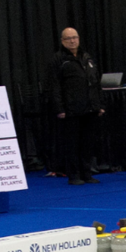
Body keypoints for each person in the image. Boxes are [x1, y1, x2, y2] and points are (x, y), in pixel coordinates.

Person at [50, 28, 104, 185]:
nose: (72, 41)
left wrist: (99, 104)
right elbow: (54, 86)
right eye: (68, 38)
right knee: (72, 144)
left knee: (87, 143)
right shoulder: (58, 60)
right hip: (71, 109)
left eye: (75, 37)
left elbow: (96, 83)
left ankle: (87, 173)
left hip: (90, 107)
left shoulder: (87, 57)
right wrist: (59, 108)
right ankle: (74, 175)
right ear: (62, 41)